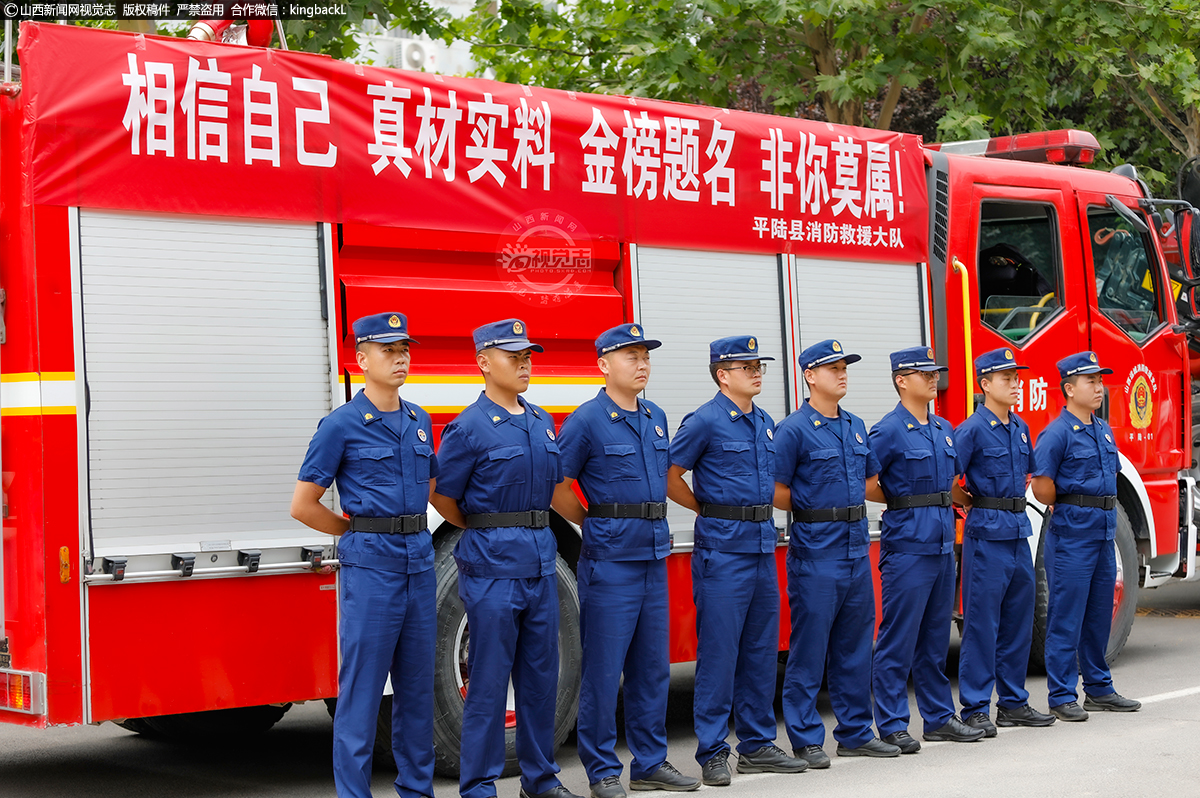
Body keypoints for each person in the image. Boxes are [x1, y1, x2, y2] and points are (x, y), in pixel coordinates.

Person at [429, 319, 581, 798]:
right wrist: (486, 526)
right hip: (493, 568)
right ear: (482, 362)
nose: (524, 364)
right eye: (513, 356)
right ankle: (478, 786)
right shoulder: (468, 427)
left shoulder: (540, 421)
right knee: (489, 684)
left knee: (541, 682)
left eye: (528, 356)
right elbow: (443, 497)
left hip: (540, 563)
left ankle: (540, 780)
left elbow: (554, 490)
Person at [291, 312, 438, 798]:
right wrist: (355, 531)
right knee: (362, 692)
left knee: (418, 693)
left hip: (419, 564)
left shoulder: (419, 420)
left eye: (405, 350)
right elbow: (304, 505)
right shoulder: (341, 425)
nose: (400, 358)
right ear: (361, 359)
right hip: (371, 569)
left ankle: (416, 790)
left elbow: (432, 487)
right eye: (388, 350)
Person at [551, 323, 699, 798]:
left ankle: (651, 762)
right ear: (603, 365)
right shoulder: (586, 420)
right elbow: (557, 488)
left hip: (653, 557)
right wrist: (593, 522)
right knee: (603, 669)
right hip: (610, 561)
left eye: (645, 357)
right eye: (631, 356)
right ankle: (601, 769)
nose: (642, 364)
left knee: (651, 667)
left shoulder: (655, 415)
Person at [666, 335, 806, 787]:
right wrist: (704, 509)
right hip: (723, 551)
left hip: (762, 547)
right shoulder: (704, 421)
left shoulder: (764, 421)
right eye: (746, 367)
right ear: (722, 374)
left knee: (761, 652)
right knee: (720, 654)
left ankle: (758, 744)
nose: (757, 372)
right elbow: (670, 475)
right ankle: (712, 751)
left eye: (759, 365)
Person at [772, 339, 900, 768]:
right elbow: (775, 489)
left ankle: (855, 732)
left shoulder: (856, 426)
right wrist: (815, 510)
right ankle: (806, 738)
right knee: (810, 649)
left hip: (854, 549)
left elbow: (870, 481)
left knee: (854, 646)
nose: (842, 373)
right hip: (817, 552)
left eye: (845, 367)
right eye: (832, 368)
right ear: (810, 376)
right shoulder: (793, 429)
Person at [868, 346, 983, 753]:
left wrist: (965, 499)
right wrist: (904, 502)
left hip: (939, 545)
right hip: (907, 548)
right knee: (898, 639)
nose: (934, 378)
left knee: (934, 640)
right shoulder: (887, 431)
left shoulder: (943, 428)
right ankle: (893, 723)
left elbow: (948, 483)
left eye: (936, 373)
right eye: (924, 373)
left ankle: (937, 718)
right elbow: (867, 483)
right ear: (902, 380)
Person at [1031, 351, 1142, 721]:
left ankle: (1098, 688)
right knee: (1066, 615)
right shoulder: (1057, 433)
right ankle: (1062, 695)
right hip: (1072, 537)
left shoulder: (1102, 430)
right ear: (1069, 388)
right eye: (1090, 381)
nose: (1099, 387)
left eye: (1099, 380)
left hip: (1102, 533)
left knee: (1097, 614)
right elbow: (1043, 487)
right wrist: (1072, 507)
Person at [953, 347, 1056, 734]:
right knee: (982, 624)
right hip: (987, 532)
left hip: (1018, 531)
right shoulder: (970, 430)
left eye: (1016, 378)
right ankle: (976, 707)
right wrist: (972, 503)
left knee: (1018, 619)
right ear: (985, 384)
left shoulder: (1020, 427)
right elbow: (948, 481)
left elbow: (1029, 476)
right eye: (1006, 379)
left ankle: (1013, 702)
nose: (1015, 384)